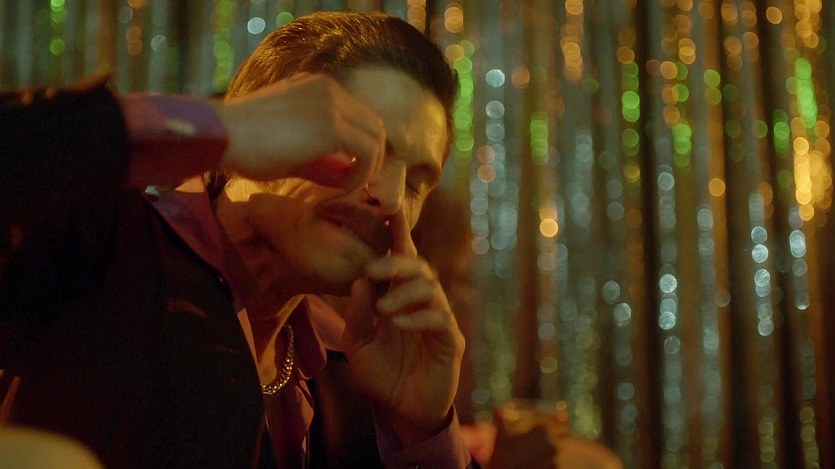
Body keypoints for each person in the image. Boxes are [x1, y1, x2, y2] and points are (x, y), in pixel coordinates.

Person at [1, 10, 471, 469]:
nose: (391, 198)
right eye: (363, 145)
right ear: (267, 123)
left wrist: (423, 434)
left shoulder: (357, 365)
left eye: (415, 184)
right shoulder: (102, 242)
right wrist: (220, 126)